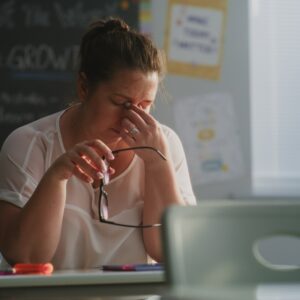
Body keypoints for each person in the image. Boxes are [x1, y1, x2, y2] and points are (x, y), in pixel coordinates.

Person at [0, 17, 196, 269]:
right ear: (84, 87)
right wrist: (57, 177)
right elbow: (26, 257)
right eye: (119, 102)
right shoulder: (30, 144)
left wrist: (158, 165)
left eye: (145, 105)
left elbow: (174, 253)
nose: (131, 118)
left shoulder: (165, 143)